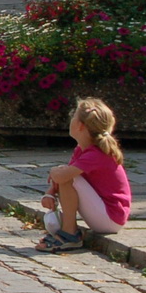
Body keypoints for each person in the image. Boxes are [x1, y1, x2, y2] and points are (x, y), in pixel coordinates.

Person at [37, 98, 132, 253]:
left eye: (73, 116)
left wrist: (54, 171)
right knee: (66, 172)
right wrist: (50, 192)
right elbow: (64, 176)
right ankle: (68, 229)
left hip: (110, 218)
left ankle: (70, 234)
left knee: (67, 174)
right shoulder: (82, 150)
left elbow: (63, 177)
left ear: (80, 126)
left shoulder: (96, 154)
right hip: (104, 214)